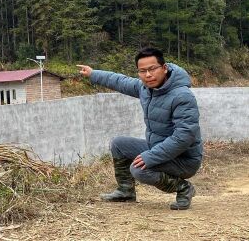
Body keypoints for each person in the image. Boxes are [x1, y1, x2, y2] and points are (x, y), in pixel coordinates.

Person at [77, 47, 202, 210]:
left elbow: (184, 137)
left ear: (164, 68)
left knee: (138, 169)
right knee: (119, 144)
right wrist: (93, 74)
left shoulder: (182, 96)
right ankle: (125, 190)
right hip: (159, 149)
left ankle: (184, 188)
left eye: (152, 69)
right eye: (142, 71)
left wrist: (151, 156)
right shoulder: (145, 89)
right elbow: (120, 81)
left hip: (184, 160)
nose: (148, 75)